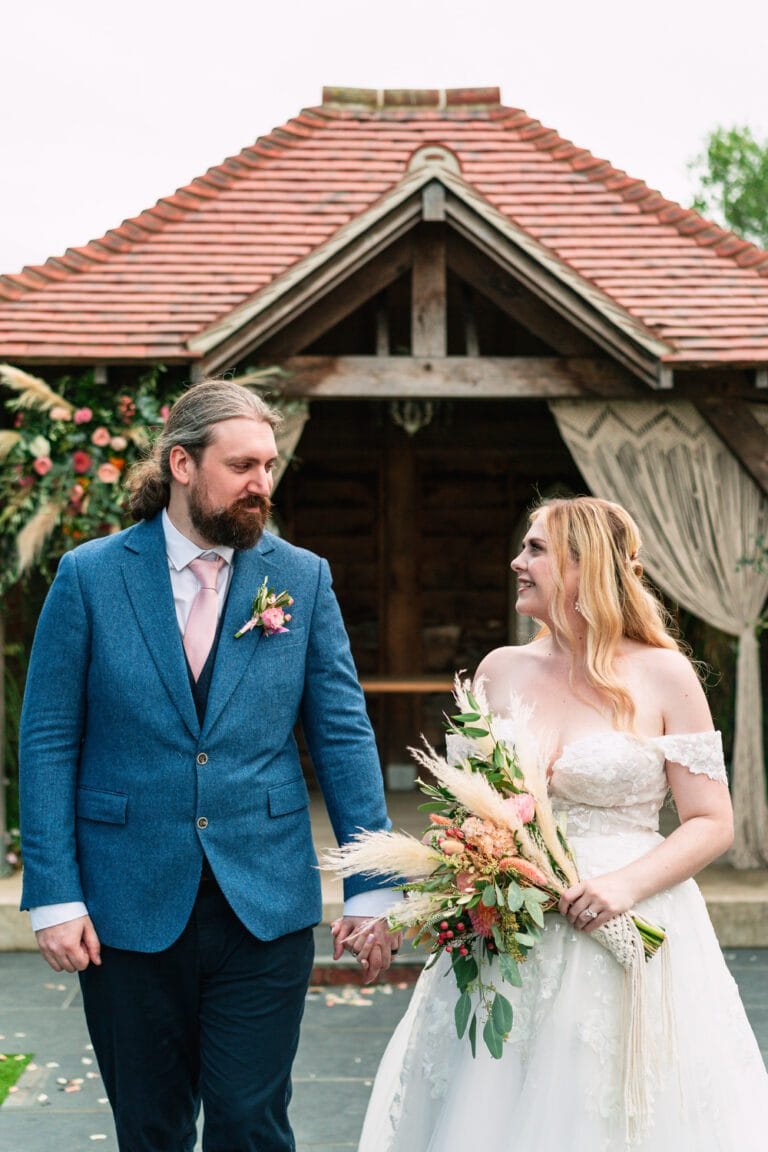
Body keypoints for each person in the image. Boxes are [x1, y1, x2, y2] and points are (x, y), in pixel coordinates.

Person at [19, 378, 400, 1152]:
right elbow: (50, 737)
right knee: (151, 1127)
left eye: (268, 465)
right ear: (183, 465)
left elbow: (343, 736)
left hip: (264, 899)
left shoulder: (300, 577)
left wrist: (373, 884)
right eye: (242, 466)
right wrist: (54, 894)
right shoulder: (89, 577)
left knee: (248, 1122)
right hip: (126, 902)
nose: (262, 483)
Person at [358, 495, 768, 1151]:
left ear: (588, 569)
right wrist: (431, 895)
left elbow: (711, 820)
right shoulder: (499, 670)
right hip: (507, 936)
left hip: (625, 929)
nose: (518, 562)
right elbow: (471, 818)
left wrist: (624, 888)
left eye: (536, 550)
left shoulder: (665, 676)